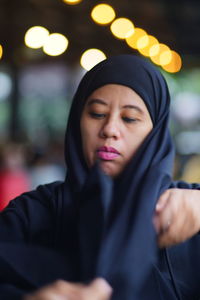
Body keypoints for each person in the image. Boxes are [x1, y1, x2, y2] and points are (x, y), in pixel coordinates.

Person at [0, 54, 200, 300]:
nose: (109, 129)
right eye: (96, 113)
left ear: (156, 133)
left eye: (129, 118)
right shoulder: (32, 214)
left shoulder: (188, 211)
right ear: (77, 121)